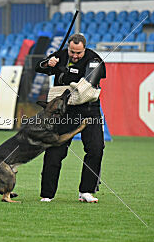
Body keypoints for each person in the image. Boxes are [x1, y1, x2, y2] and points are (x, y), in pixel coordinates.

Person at [35, 33, 106, 203]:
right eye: (72, 51)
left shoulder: (94, 60)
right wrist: (48, 63)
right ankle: (47, 194)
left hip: (88, 109)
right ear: (68, 47)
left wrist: (65, 82)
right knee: (54, 150)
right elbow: (39, 67)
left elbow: (85, 88)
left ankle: (87, 191)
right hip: (64, 112)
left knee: (95, 148)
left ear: (84, 49)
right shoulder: (60, 55)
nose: (74, 55)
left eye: (78, 53)